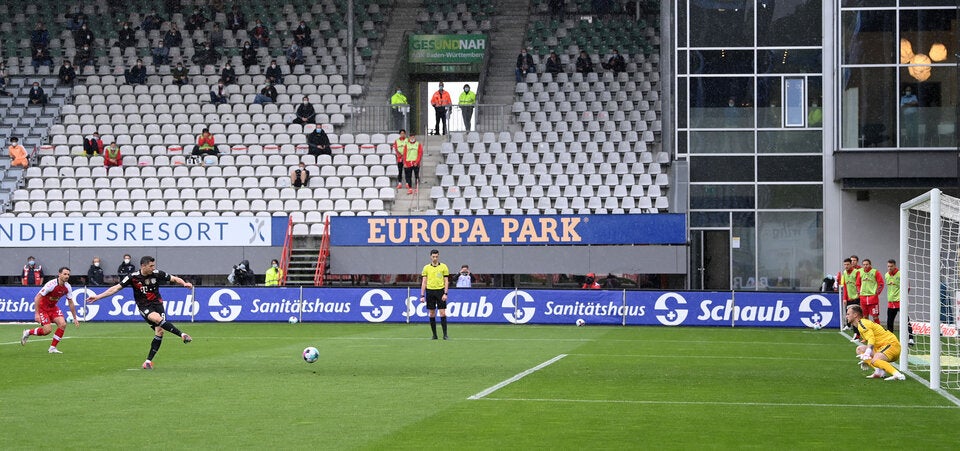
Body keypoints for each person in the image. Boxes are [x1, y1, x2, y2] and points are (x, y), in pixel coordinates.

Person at [86, 256, 193, 370]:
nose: (153, 268)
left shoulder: (157, 274)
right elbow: (116, 288)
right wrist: (98, 297)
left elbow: (174, 279)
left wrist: (184, 283)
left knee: (160, 331)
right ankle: (182, 335)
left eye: (153, 265)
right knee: (157, 319)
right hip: (144, 306)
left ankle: (148, 362)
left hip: (158, 304)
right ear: (143, 266)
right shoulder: (133, 277)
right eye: (151, 266)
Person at [20, 267, 80, 354]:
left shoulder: (68, 287)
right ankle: (28, 332)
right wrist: (37, 314)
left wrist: (75, 318)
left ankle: (52, 348)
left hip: (53, 308)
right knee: (47, 331)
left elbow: (70, 302)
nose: (67, 276)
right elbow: (37, 297)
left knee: (62, 324)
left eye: (68, 274)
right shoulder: (51, 284)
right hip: (42, 308)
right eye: (65, 274)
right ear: (59, 274)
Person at [847, 305, 906, 380]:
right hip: (883, 347)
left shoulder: (862, 324)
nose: (846, 316)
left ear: (855, 315)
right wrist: (867, 359)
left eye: (848, 314)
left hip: (891, 345)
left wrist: (868, 353)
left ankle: (898, 375)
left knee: (875, 360)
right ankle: (879, 372)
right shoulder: (861, 324)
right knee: (860, 349)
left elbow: (871, 339)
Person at [420, 249, 450, 340]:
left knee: (442, 313)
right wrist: (422, 295)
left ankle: (445, 334)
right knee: (432, 313)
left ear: (438, 256)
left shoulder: (444, 267)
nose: (435, 258)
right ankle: (434, 335)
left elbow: (446, 281)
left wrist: (445, 293)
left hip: (440, 291)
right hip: (430, 291)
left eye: (436, 256)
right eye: (433, 256)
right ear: (430, 257)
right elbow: (424, 282)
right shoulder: (426, 268)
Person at [884, 259, 915, 346]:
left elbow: (908, 287)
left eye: (891, 266)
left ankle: (911, 338)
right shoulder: (886, 275)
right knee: (889, 322)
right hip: (890, 302)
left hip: (900, 301)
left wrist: (902, 298)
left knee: (906, 320)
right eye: (888, 266)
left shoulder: (901, 274)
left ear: (895, 266)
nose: (889, 268)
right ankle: (890, 339)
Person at [836, 258, 861, 332]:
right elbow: (845, 287)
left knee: (856, 316)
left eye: (847, 264)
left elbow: (859, 284)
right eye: (845, 264)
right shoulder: (845, 273)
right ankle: (853, 331)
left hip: (857, 298)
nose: (846, 266)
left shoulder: (856, 272)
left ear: (851, 264)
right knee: (850, 315)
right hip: (849, 298)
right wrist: (844, 298)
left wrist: (859, 294)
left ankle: (858, 333)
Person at [856, 259, 883, 324]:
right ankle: (867, 332)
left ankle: (878, 332)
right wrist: (859, 292)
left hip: (873, 298)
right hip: (863, 298)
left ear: (870, 265)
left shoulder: (875, 272)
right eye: (864, 264)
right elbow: (857, 284)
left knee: (875, 317)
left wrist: (877, 292)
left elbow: (881, 283)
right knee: (865, 317)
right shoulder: (860, 272)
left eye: (867, 264)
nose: (865, 266)